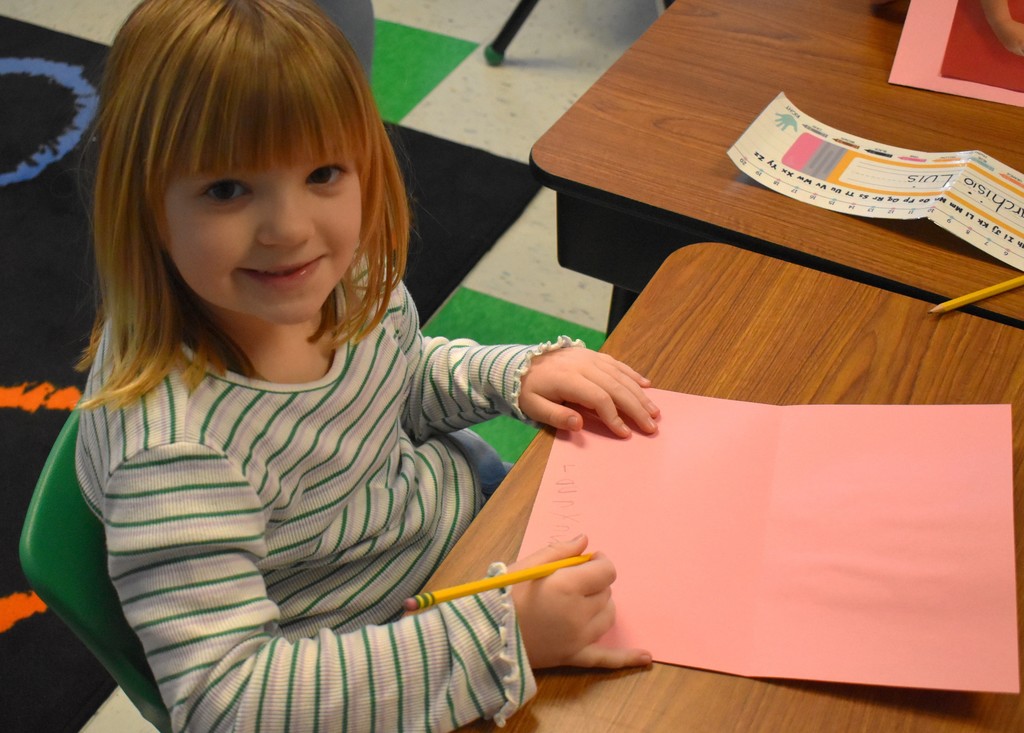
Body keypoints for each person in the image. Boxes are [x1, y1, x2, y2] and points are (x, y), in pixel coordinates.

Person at [74, 0, 660, 730]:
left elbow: (397, 376)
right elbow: (228, 702)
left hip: (457, 537)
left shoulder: (338, 278)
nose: (290, 229)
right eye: (227, 189)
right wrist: (500, 637)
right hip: (381, 653)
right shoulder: (173, 453)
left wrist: (509, 375)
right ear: (146, 204)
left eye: (323, 172)